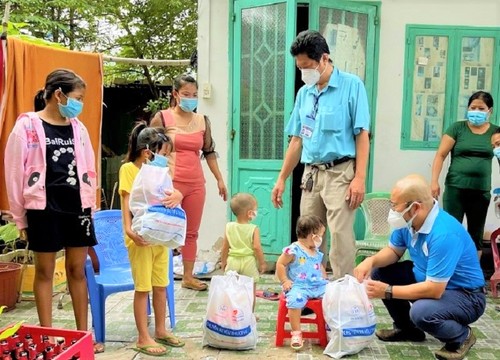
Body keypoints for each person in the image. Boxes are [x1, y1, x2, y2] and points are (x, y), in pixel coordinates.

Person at [4, 69, 104, 353]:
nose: (79, 104)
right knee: (45, 271)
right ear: (58, 94)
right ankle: (45, 336)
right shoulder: (26, 126)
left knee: (77, 270)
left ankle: (82, 334)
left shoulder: (78, 128)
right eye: (77, 97)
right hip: (43, 208)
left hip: (77, 207)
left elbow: (89, 169)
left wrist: (91, 207)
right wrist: (19, 216)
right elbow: (14, 173)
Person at [270, 30, 370, 279]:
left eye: (308, 66)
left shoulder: (351, 86)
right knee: (308, 235)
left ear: (324, 59)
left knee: (339, 236)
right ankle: (309, 286)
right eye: (300, 67)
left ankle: (342, 293)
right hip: (311, 175)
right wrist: (281, 179)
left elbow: (362, 135)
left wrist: (359, 178)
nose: (304, 73)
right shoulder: (305, 93)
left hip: (341, 172)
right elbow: (296, 140)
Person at [354, 174, 486, 360]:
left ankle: (461, 336)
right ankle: (407, 330)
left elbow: (434, 289)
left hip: (465, 295)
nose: (392, 210)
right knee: (380, 272)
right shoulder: (407, 221)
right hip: (428, 279)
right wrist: (370, 261)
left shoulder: (443, 234)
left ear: (415, 207)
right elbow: (393, 251)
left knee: (421, 312)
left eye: (394, 205)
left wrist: (389, 291)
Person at [150, 74, 227, 291]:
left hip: (195, 184)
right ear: (175, 94)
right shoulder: (162, 118)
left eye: (194, 95)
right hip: (170, 183)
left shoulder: (202, 120)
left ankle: (188, 277)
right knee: (164, 230)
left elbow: (209, 152)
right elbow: (149, 151)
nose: (190, 99)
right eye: (186, 95)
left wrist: (220, 179)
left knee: (191, 232)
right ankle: (158, 276)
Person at [119, 123, 185, 356]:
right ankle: (142, 337)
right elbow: (126, 203)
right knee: (143, 288)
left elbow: (171, 194)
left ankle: (160, 330)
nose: (167, 159)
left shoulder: (161, 172)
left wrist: (178, 194)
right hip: (140, 239)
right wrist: (129, 231)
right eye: (165, 154)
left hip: (160, 239)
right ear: (149, 152)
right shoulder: (128, 169)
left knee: (161, 286)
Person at [431, 91, 498, 258]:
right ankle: (448, 273)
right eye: (472, 107)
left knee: (476, 234)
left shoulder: (496, 132)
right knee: (451, 231)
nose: (476, 111)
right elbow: (440, 155)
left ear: (490, 111)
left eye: (481, 108)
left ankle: (473, 277)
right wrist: (434, 181)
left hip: (480, 191)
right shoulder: (457, 128)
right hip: (455, 188)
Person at [275, 215, 328, 350]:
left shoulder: (315, 250)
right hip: (299, 286)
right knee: (294, 301)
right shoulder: (293, 250)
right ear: (312, 235)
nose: (321, 239)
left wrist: (324, 277)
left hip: (317, 285)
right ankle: (296, 332)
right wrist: (285, 280)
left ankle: (329, 325)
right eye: (320, 235)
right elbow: (280, 264)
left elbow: (318, 265)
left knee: (333, 294)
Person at [220, 193, 266, 312]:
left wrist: (223, 261)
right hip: (248, 262)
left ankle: (231, 314)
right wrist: (262, 263)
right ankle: (249, 316)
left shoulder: (229, 226)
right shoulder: (254, 228)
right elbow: (257, 247)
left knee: (231, 290)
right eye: (255, 210)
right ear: (250, 213)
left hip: (232, 261)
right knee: (250, 291)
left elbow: (225, 247)